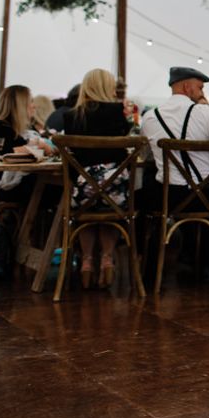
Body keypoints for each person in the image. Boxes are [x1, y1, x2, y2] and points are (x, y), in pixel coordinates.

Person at [141, 66, 209, 210]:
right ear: (186, 87)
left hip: (168, 198)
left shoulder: (149, 117)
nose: (202, 93)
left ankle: (164, 229)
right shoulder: (204, 113)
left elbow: (145, 155)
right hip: (207, 197)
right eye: (200, 88)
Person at [64, 69, 132, 288]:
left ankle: (86, 261)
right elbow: (124, 151)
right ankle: (107, 258)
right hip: (116, 194)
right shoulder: (116, 112)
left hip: (83, 193)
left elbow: (72, 157)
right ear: (106, 87)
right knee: (107, 204)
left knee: (91, 207)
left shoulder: (72, 116)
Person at [0, 85, 56, 203]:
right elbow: (8, 153)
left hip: (16, 182)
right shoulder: (0, 127)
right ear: (20, 105)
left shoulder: (12, 128)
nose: (33, 106)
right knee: (60, 188)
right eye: (30, 101)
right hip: (7, 186)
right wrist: (39, 146)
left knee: (55, 184)